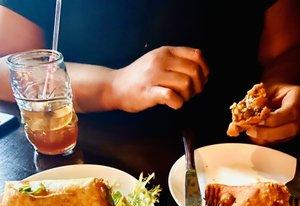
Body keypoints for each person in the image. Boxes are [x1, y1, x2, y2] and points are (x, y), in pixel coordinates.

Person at [0, 0, 299, 145]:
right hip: (86, 159)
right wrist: (112, 86)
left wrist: (280, 83)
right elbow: (6, 65)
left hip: (237, 160)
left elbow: (287, 49)